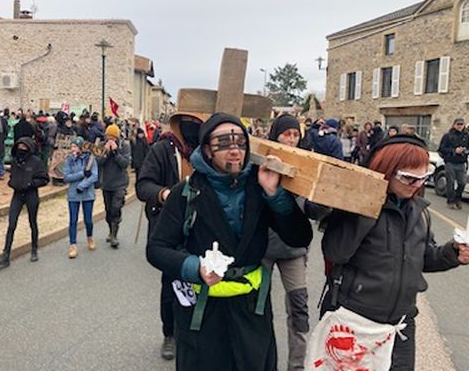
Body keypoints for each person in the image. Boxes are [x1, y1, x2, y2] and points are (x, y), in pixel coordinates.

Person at [146, 113, 313, 371]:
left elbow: (299, 237)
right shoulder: (186, 193)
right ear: (207, 150)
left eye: (240, 143)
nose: (234, 150)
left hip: (251, 310)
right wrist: (194, 268)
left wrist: (274, 194)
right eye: (223, 143)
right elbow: (157, 249)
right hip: (202, 316)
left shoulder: (259, 187)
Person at [321, 134, 469, 370]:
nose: (417, 185)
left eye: (423, 178)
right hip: (354, 321)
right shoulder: (354, 205)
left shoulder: (419, 212)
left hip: (400, 325)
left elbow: (423, 257)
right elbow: (337, 253)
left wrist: (453, 253)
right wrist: (366, 209)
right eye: (409, 178)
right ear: (385, 170)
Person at [264, 114, 331, 371]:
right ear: (276, 135)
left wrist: (325, 206)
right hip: (264, 246)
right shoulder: (263, 161)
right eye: (286, 134)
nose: (291, 139)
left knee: (299, 309)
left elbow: (311, 207)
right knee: (257, 307)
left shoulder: (306, 164)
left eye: (295, 134)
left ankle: (296, 367)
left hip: (293, 250)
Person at [136, 111, 205, 361]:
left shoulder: (207, 151)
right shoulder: (163, 149)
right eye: (188, 124)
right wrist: (166, 195)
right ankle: (170, 334)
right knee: (171, 284)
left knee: (202, 280)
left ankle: (196, 331)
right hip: (169, 227)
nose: (192, 129)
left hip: (201, 230)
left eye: (198, 124)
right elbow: (143, 185)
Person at [0, 137, 50, 268]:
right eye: (19, 147)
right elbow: (13, 175)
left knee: (32, 222)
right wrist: (12, 182)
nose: (21, 150)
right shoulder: (15, 161)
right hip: (17, 195)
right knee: (11, 224)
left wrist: (31, 184)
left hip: (31, 194)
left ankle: (34, 249)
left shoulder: (36, 162)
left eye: (24, 148)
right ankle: (6, 255)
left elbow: (44, 179)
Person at [63, 136, 99, 259]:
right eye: (71, 146)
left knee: (88, 219)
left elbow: (94, 176)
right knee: (73, 220)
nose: (72, 149)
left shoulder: (90, 159)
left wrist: (82, 186)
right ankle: (73, 244)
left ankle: (90, 237)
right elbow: (66, 177)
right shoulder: (69, 160)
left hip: (87, 194)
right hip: (73, 194)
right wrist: (81, 174)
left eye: (74, 146)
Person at [98, 123, 131, 249]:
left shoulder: (125, 146)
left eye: (113, 138)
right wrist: (106, 152)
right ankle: (110, 231)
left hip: (120, 183)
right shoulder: (101, 146)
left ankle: (114, 236)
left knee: (115, 208)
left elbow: (125, 164)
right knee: (108, 211)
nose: (110, 140)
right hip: (107, 183)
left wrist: (116, 152)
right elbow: (98, 162)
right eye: (108, 137)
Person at [438, 118, 469, 210]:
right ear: (454, 125)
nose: (460, 126)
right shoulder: (447, 136)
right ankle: (450, 201)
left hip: (461, 163)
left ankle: (457, 199)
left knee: (462, 183)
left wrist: (465, 150)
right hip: (450, 162)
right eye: (458, 124)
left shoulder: (466, 136)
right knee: (450, 183)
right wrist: (454, 151)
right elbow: (441, 149)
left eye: (461, 124)